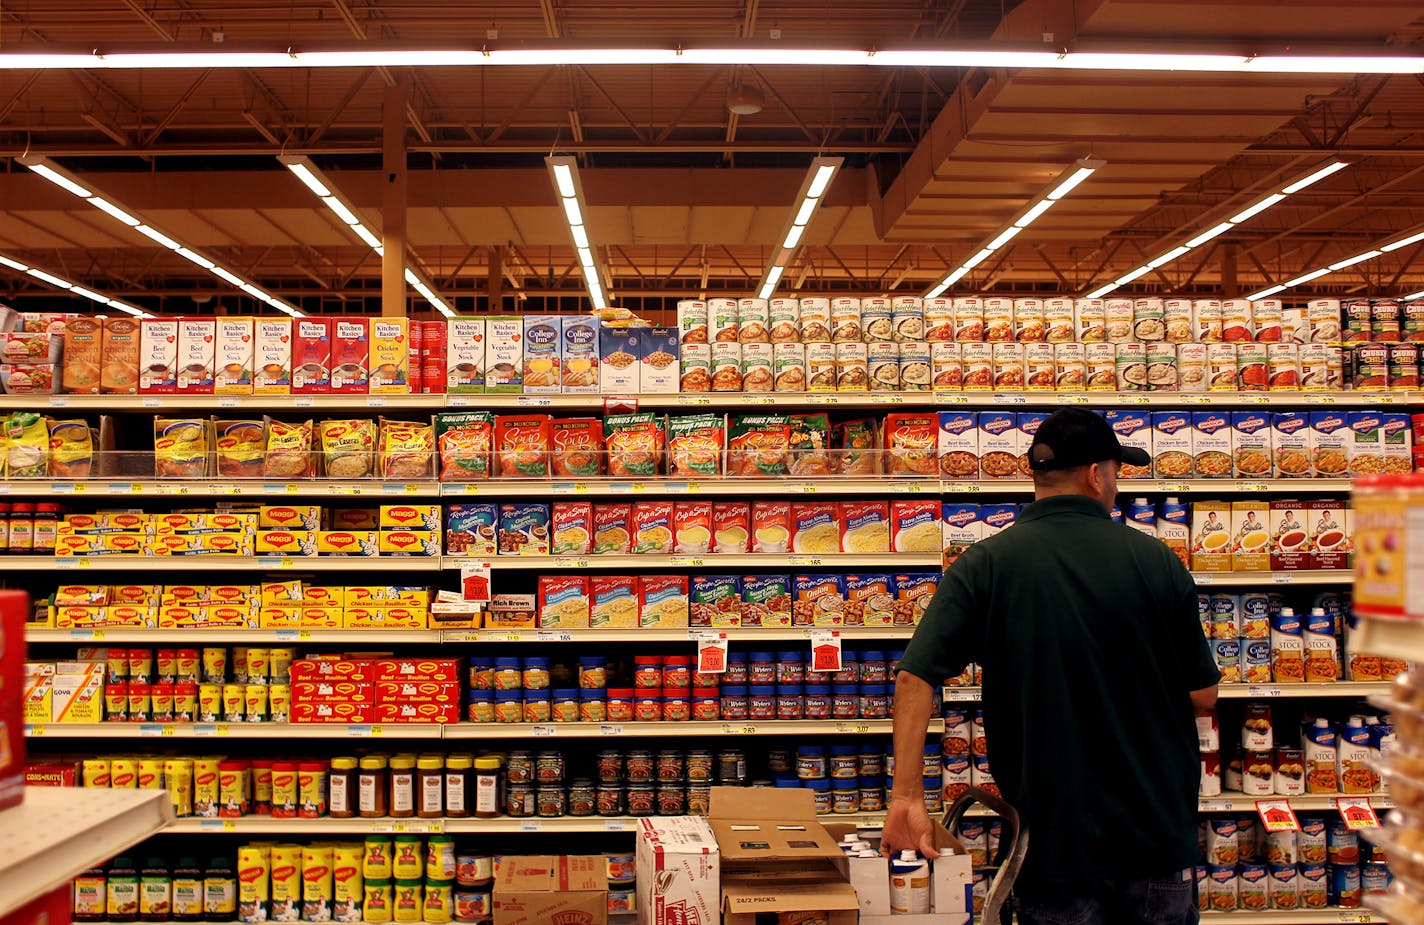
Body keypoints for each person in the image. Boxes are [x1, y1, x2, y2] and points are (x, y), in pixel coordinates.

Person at [882, 408, 1219, 925]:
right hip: (1155, 836)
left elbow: (915, 676)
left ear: (1035, 474)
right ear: (1096, 474)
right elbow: (1203, 697)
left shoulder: (986, 563)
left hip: (1051, 844)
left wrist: (906, 796)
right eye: (1116, 471)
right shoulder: (1157, 561)